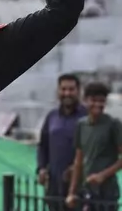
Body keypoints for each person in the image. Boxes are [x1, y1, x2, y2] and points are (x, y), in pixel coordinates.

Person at [67, 82, 122, 210]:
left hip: (107, 192)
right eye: (93, 100)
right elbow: (78, 161)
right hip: (87, 190)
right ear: (85, 100)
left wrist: (102, 175)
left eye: (101, 101)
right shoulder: (81, 125)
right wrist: (72, 192)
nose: (97, 105)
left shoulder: (113, 125)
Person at [37, 73, 86, 209]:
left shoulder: (87, 117)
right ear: (58, 91)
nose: (67, 93)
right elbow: (43, 146)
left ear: (78, 91)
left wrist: (78, 169)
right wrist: (41, 168)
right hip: (54, 185)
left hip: (79, 187)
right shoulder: (52, 117)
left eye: (71, 89)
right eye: (63, 89)